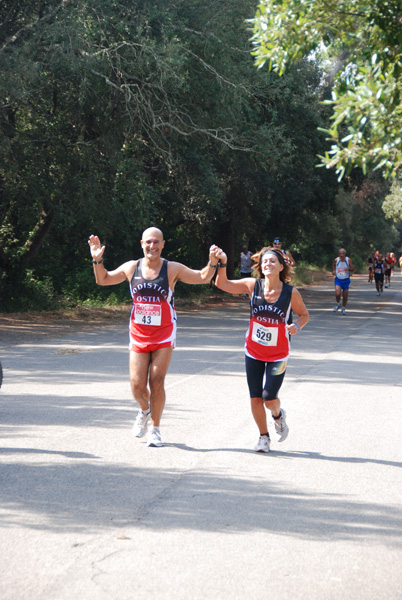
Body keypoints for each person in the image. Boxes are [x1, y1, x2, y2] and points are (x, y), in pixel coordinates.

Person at [88, 228, 221, 447]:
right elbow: (102, 280)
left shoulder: (171, 268)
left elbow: (203, 277)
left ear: (163, 244)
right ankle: (144, 410)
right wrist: (97, 260)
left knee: (157, 380)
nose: (152, 246)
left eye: (156, 242)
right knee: (137, 385)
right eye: (148, 242)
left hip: (164, 333)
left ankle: (155, 429)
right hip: (138, 333)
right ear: (142, 243)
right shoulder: (132, 267)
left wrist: (212, 261)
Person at [214, 246, 309, 453]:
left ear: (281, 266)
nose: (268, 264)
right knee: (255, 396)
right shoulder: (252, 285)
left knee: (269, 397)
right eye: (265, 261)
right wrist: (222, 261)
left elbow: (304, 315)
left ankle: (278, 416)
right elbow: (221, 283)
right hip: (253, 351)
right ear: (260, 266)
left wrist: (297, 326)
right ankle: (263, 437)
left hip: (278, 355)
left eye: (273, 261)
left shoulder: (291, 293)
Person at [332, 248, 354, 315]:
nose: (341, 255)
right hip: (338, 279)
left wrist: (349, 269)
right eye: (340, 253)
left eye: (343, 253)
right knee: (338, 293)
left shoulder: (348, 260)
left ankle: (343, 308)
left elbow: (352, 268)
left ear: (345, 254)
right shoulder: (336, 260)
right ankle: (338, 303)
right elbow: (333, 265)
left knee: (345, 295)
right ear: (339, 254)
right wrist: (333, 270)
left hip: (346, 279)